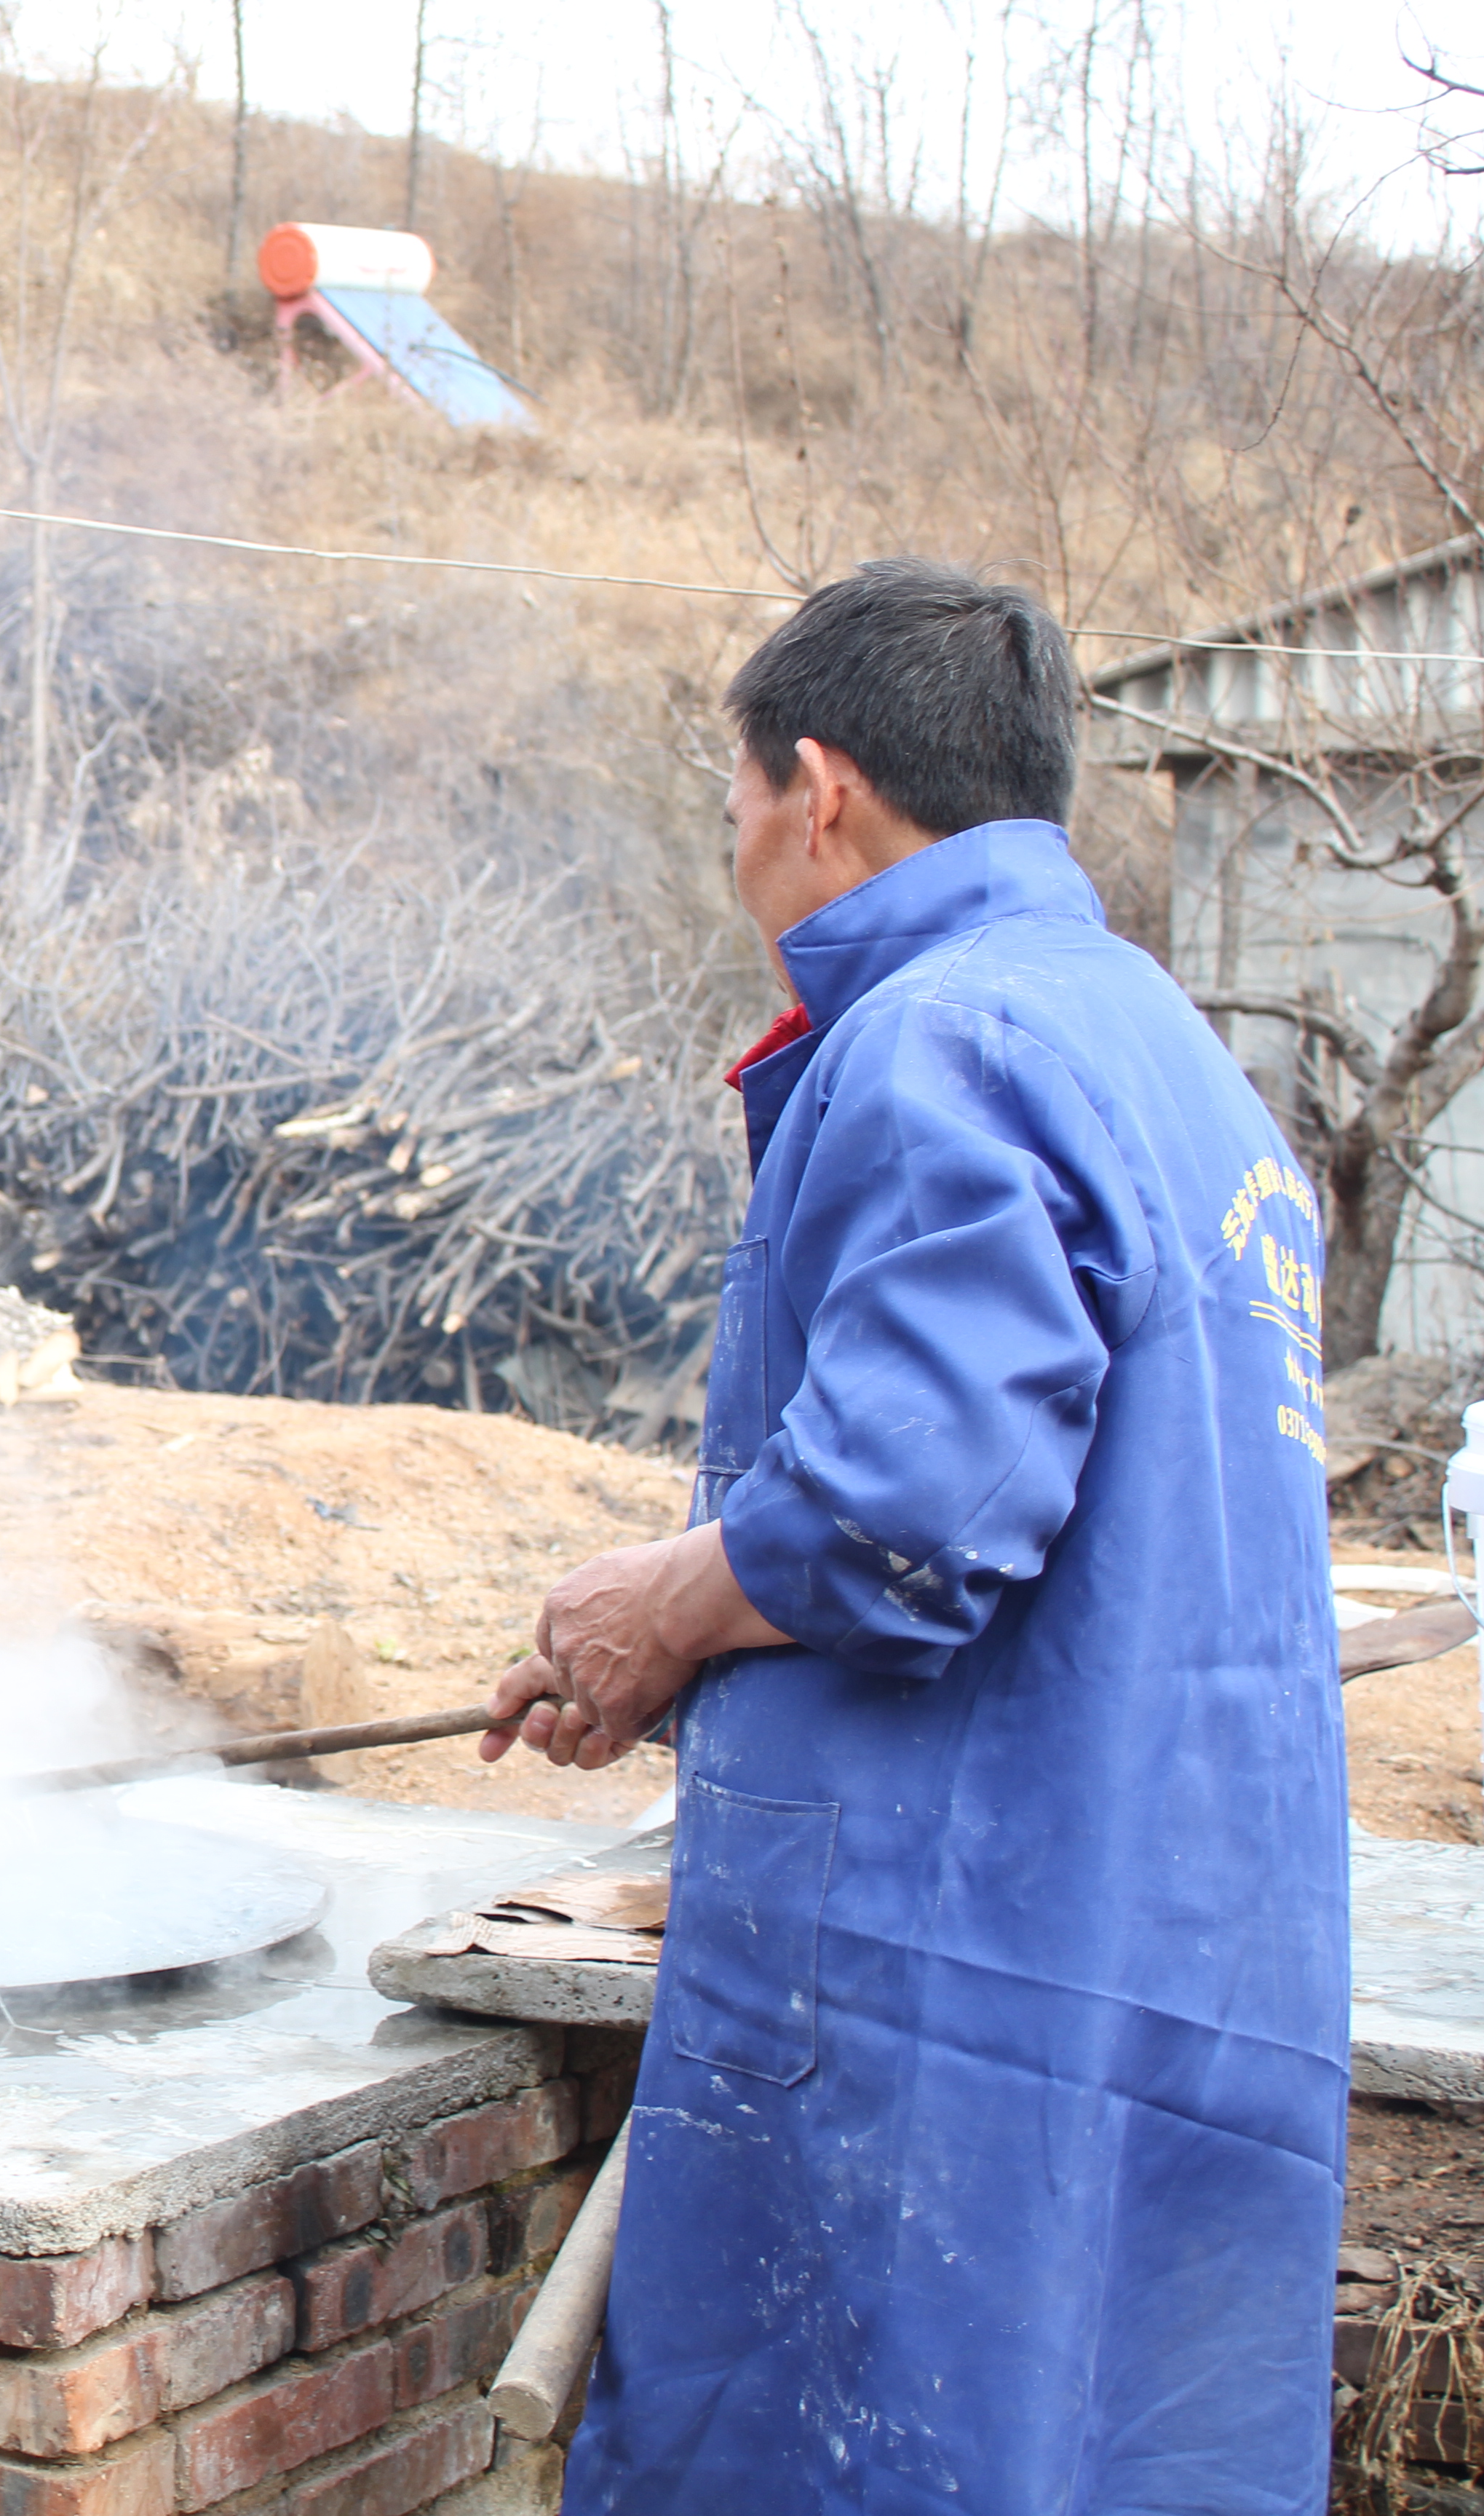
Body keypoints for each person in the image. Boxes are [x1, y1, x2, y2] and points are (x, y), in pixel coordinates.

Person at [483, 560, 1343, 2509]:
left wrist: (661, 1605)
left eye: (730, 807)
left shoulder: (939, 1038)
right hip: (1183, 1950)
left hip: (959, 1979)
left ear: (819, 785)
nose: (735, 850)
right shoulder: (1167, 1053)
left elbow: (905, 1514)